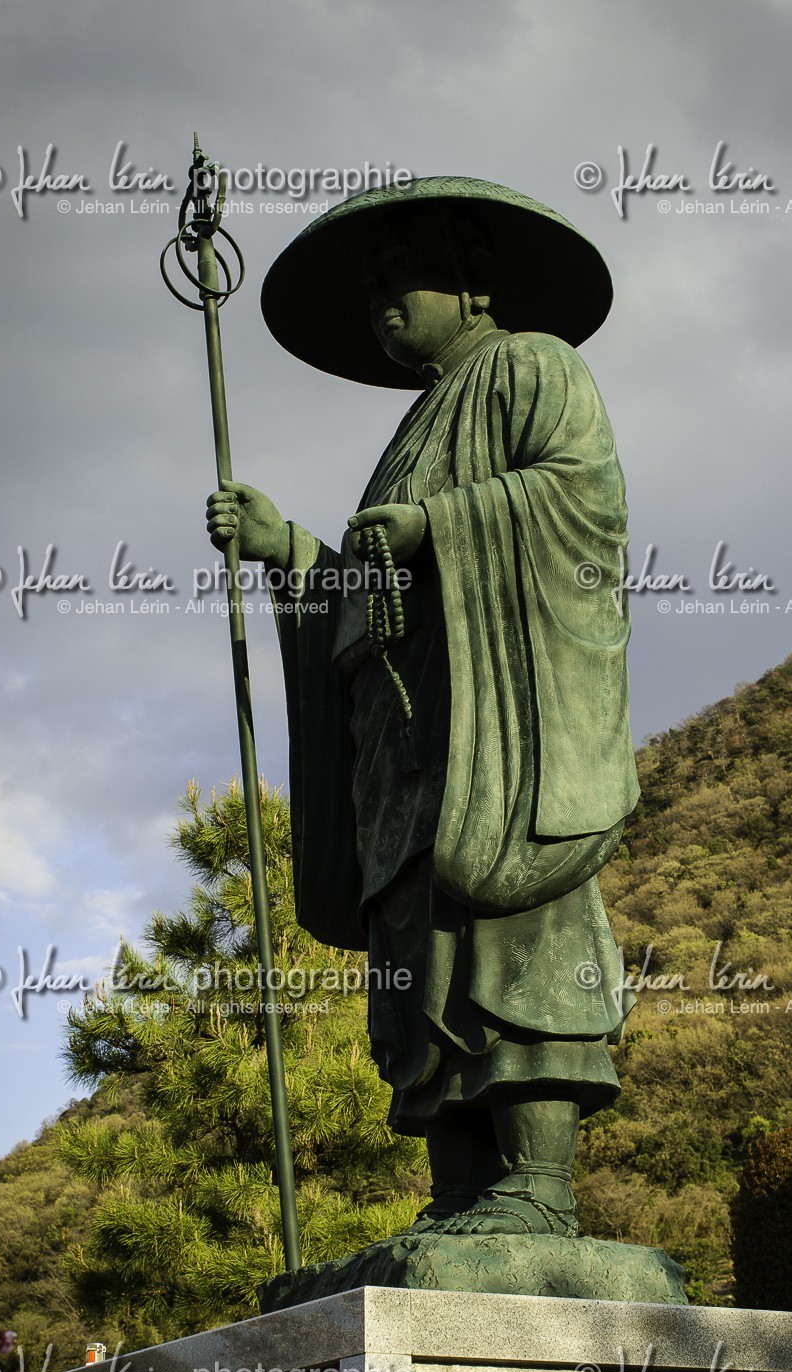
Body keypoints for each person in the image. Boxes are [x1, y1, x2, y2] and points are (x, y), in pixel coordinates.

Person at [207, 178, 639, 1239]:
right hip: (397, 744)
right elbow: (373, 585)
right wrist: (298, 555)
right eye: (369, 289)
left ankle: (536, 1185)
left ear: (473, 283)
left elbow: (584, 496)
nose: (379, 301)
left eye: (397, 276)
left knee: (506, 937)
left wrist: (438, 525)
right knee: (421, 951)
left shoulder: (531, 367)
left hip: (497, 726)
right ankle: (456, 1193)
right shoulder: (415, 422)